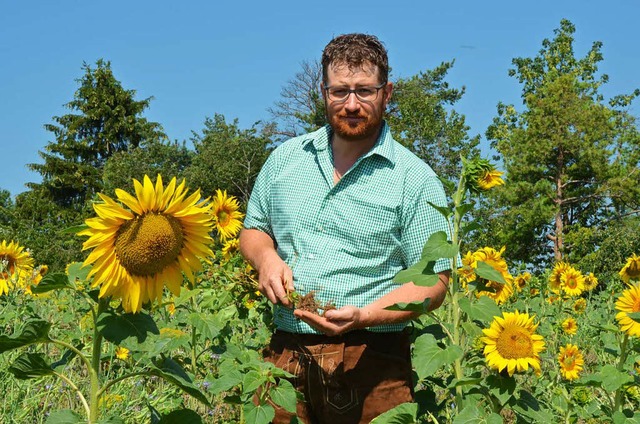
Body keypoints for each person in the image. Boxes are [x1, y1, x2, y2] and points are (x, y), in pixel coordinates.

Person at [239, 33, 451, 424]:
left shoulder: (414, 178)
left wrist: (365, 315)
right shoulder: (285, 160)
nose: (351, 104)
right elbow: (253, 230)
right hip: (285, 356)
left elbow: (434, 281)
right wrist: (266, 258)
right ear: (324, 92)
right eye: (340, 91)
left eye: (364, 91)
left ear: (387, 93)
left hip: (371, 362)